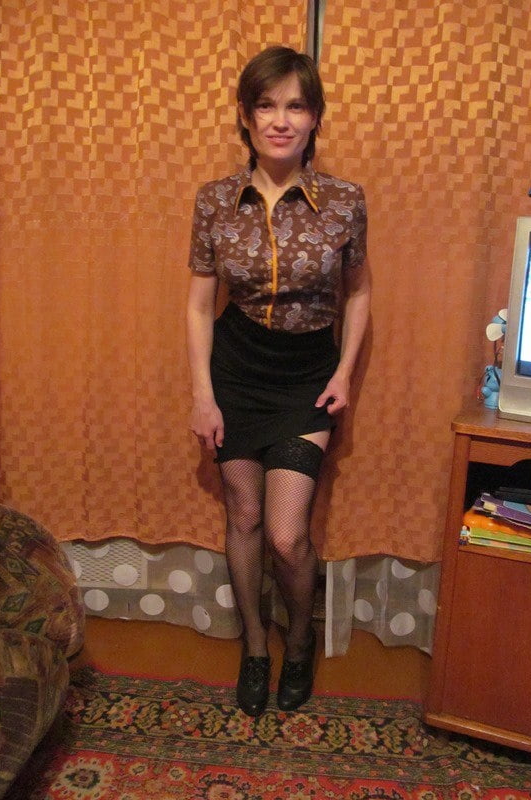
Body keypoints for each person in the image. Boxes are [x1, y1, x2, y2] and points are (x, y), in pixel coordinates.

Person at [186, 45, 370, 716]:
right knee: (243, 515)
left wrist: (345, 372)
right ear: (246, 115)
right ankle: (255, 649)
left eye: (296, 106)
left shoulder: (344, 201)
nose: (281, 120)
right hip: (237, 371)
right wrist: (203, 395)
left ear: (314, 117)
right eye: (266, 105)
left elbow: (358, 293)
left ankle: (299, 641)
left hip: (306, 378)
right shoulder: (215, 201)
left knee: (287, 536)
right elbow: (199, 305)